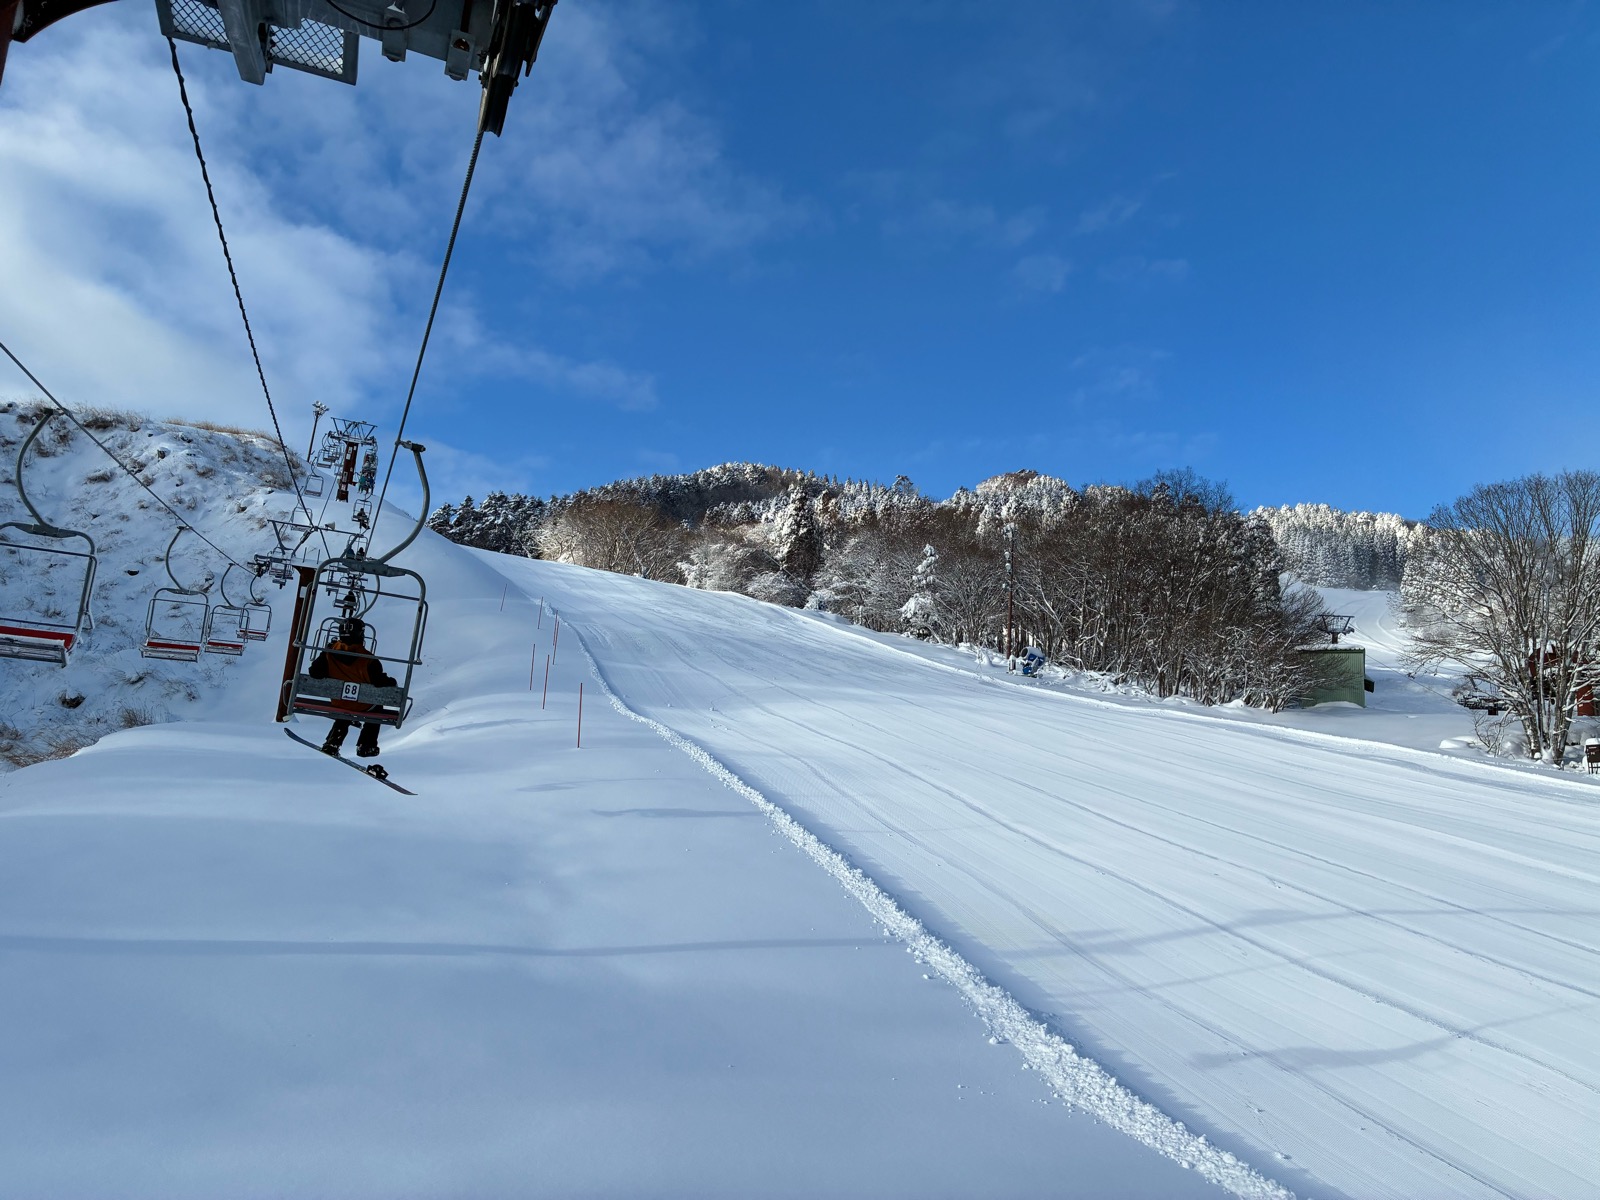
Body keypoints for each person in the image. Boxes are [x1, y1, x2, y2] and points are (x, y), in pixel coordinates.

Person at [309, 616, 396, 757]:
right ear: (360, 634)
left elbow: (315, 673)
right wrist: (391, 681)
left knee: (345, 707)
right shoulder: (368, 659)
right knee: (376, 706)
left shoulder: (329, 653)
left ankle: (333, 742)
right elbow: (379, 681)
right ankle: (366, 745)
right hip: (362, 705)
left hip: (338, 702)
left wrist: (326, 652)